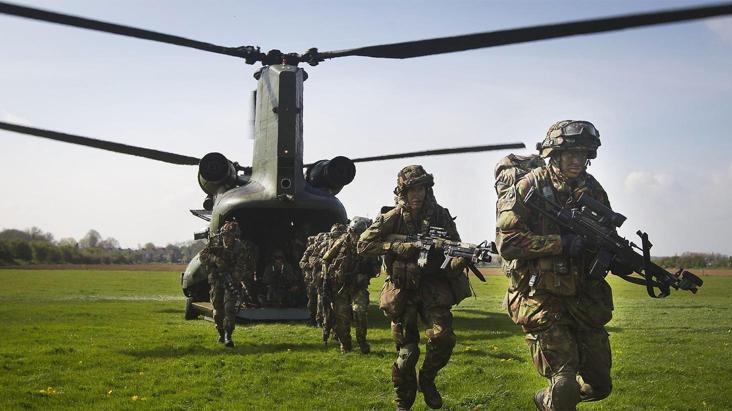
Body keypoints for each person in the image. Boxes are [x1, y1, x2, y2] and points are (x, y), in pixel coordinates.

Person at [495, 120, 613, 410]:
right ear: (555, 154)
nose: (577, 160)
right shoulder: (529, 186)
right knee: (564, 383)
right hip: (542, 298)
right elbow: (507, 243)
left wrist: (612, 254)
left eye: (583, 154)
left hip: (585, 300)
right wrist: (561, 243)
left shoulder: (594, 191)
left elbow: (607, 235)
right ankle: (556, 400)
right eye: (570, 153)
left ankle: (547, 402)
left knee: (600, 386)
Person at [358, 165, 468, 411]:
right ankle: (403, 402)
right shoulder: (392, 217)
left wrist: (459, 260)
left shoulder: (441, 215)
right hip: (403, 290)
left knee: (444, 338)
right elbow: (363, 246)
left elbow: (455, 247)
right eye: (411, 190)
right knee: (407, 355)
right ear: (402, 192)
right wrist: (397, 248)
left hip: (433, 289)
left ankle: (427, 380)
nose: (416, 195)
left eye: (421, 189)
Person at [321, 217, 380, 354]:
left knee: (360, 312)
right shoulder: (340, 243)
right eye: (356, 233)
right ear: (351, 231)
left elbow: (376, 267)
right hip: (340, 288)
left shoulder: (368, 245)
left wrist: (365, 275)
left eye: (361, 233)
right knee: (342, 318)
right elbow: (325, 259)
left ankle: (362, 342)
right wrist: (325, 280)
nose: (358, 237)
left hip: (358, 287)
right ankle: (345, 345)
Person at [199, 220, 257, 347]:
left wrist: (234, 276)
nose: (227, 239)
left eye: (230, 236)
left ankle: (228, 336)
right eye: (225, 236)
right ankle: (220, 332)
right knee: (217, 310)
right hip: (216, 280)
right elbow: (202, 257)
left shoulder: (239, 247)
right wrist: (215, 260)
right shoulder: (215, 242)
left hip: (231, 280)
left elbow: (242, 265)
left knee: (229, 309)